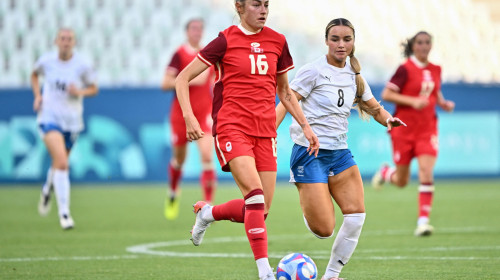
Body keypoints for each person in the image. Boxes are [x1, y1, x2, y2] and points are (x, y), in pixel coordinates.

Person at [175, 1, 319, 279]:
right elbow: (183, 78)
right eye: (256, 4)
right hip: (232, 127)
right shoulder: (225, 40)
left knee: (259, 210)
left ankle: (208, 213)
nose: (263, 10)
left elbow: (285, 93)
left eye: (266, 4)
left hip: (265, 132)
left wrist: (306, 126)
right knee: (254, 196)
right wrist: (189, 118)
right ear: (240, 7)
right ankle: (265, 272)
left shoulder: (278, 41)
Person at [275, 18, 406, 280]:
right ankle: (310, 203)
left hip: (340, 153)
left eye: (347, 39)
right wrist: (269, 133)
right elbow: (286, 100)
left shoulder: (355, 75)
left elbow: (372, 106)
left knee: (356, 216)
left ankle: (331, 276)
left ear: (353, 42)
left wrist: (388, 120)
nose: (341, 44)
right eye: (335, 39)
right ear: (326, 41)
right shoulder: (312, 70)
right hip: (309, 153)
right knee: (324, 230)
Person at [371, 31, 455, 237]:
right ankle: (386, 173)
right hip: (404, 130)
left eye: (427, 42)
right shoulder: (405, 69)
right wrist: (412, 101)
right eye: (420, 42)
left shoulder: (436, 69)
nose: (424, 46)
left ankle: (423, 222)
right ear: (413, 46)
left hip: (427, 129)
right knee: (401, 181)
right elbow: (387, 94)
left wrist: (442, 103)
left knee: (426, 171)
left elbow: (434, 91)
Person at [32, 28, 99, 230]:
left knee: (59, 162)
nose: (66, 42)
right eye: (62, 39)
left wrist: (79, 91)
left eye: (69, 39)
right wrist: (38, 96)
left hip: (72, 122)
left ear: (74, 43)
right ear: (56, 41)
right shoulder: (46, 61)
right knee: (62, 162)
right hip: (49, 118)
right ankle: (65, 214)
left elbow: (94, 88)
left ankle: (47, 189)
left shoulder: (82, 65)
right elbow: (34, 76)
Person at [160, 18, 217, 220]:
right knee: (179, 160)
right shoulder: (179, 54)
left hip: (203, 114)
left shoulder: (208, 55)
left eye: (200, 29)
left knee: (207, 157)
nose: (197, 32)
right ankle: (173, 193)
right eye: (193, 28)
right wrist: (189, 78)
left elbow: (214, 83)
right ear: (186, 32)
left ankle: (208, 208)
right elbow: (165, 83)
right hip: (181, 114)